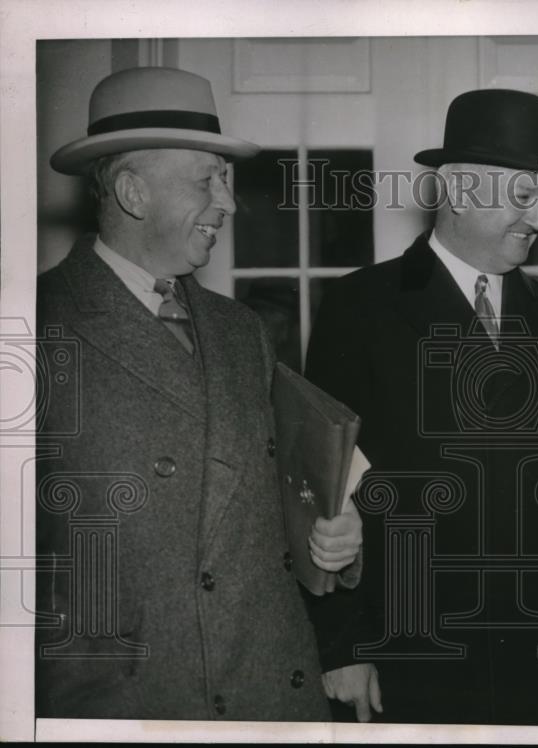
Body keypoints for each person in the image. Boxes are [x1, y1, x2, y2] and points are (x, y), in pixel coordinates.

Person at [35, 66, 361, 720]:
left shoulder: (241, 331)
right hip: (134, 704)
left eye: (227, 178)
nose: (229, 203)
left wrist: (339, 539)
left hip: (273, 697)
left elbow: (275, 503)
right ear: (132, 192)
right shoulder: (36, 328)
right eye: (206, 181)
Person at [305, 89, 538, 726]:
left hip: (533, 656)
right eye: (524, 197)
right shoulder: (360, 307)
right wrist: (340, 645)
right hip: (402, 658)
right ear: (458, 191)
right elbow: (324, 489)